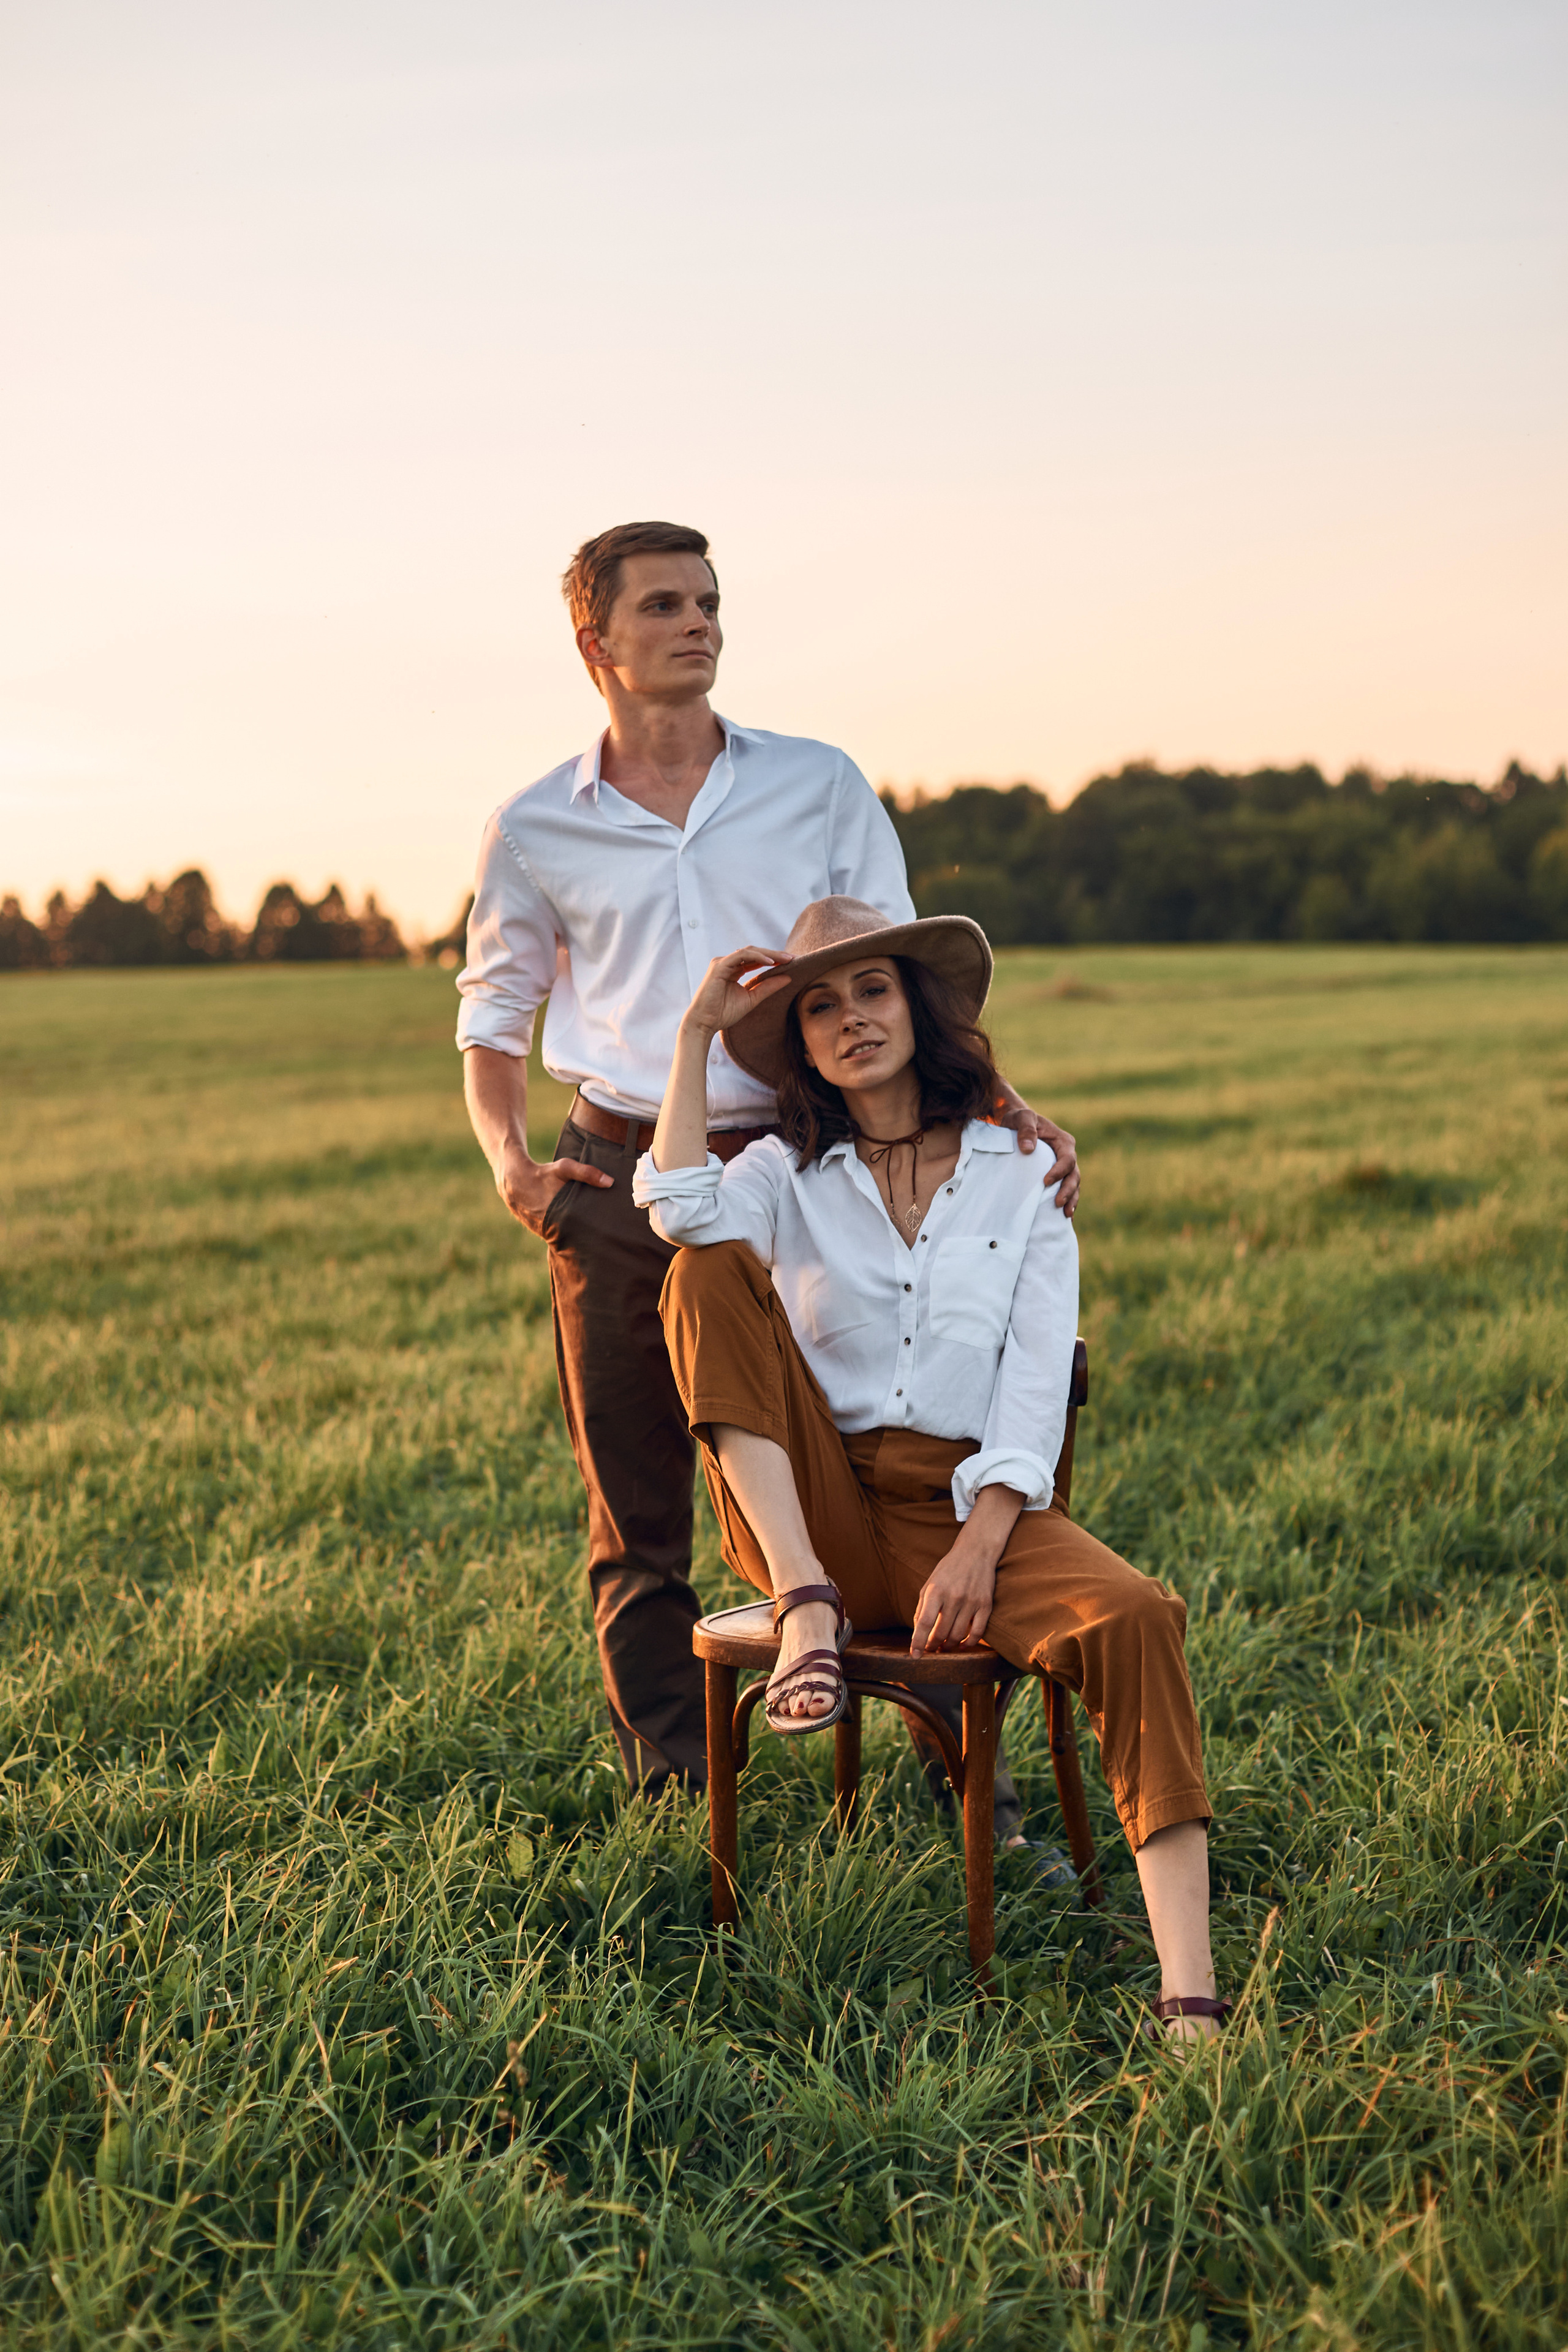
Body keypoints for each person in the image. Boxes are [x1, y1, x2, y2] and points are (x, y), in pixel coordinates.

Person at [457, 518, 1080, 1811]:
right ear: (594, 642)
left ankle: (965, 1777)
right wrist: (512, 1164)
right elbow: (493, 1011)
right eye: (664, 605)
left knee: (898, 1461)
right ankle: (680, 1793)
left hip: (820, 1164)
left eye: (708, 600)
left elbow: (898, 971)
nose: (699, 622)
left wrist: (1000, 1103)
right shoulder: (532, 827)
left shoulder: (818, 784)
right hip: (623, 1177)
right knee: (636, 1505)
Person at [633, 895, 1226, 2040]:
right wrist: (696, 1032)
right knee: (700, 1270)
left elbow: (1034, 1379)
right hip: (814, 1506)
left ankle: (1189, 1995)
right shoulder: (782, 1172)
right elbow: (677, 1212)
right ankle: (807, 1605)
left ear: (918, 1008)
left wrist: (983, 1545)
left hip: (965, 1504)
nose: (851, 1018)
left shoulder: (1022, 1173)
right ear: (802, 1045)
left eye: (874, 990)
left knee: (1137, 1617)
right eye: (820, 1006)